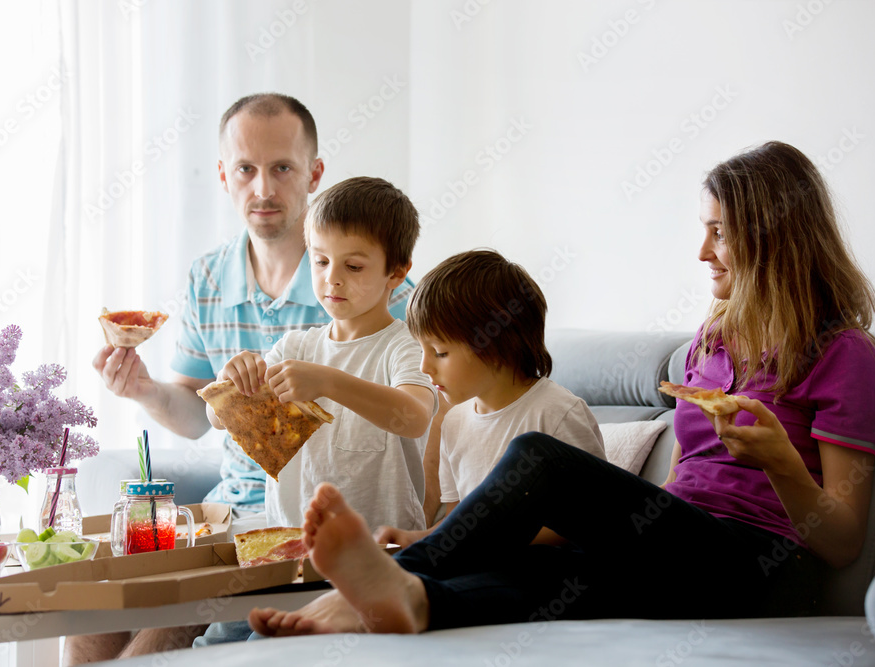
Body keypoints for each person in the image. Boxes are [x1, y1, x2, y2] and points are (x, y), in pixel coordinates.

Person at [247, 140, 875, 637]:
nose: (702, 250)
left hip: (760, 566)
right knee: (544, 573)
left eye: (719, 231)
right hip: (681, 547)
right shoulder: (710, 346)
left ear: (772, 234)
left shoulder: (843, 356)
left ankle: (376, 583)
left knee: (539, 459)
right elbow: (681, 491)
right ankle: (408, 600)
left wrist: (781, 462)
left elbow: (842, 541)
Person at [73, 94, 414, 663]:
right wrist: (146, 390)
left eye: (282, 167)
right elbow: (195, 415)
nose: (263, 189)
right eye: (246, 169)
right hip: (228, 511)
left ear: (315, 174)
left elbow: (420, 411)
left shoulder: (371, 281)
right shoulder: (206, 276)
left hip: (314, 518)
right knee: (89, 620)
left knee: (154, 644)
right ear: (224, 176)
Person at [211, 175, 436, 532]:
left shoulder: (404, 347)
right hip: (290, 542)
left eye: (354, 266)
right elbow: (220, 418)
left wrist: (329, 382)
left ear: (396, 272)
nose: (332, 278)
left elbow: (415, 417)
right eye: (320, 261)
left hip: (381, 550)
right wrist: (229, 382)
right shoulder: (294, 348)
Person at [374, 249, 606, 549]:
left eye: (440, 352)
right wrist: (415, 539)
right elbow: (459, 525)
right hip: (480, 567)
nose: (424, 367)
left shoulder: (558, 413)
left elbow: (593, 518)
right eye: (421, 350)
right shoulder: (453, 423)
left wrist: (490, 542)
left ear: (498, 344)